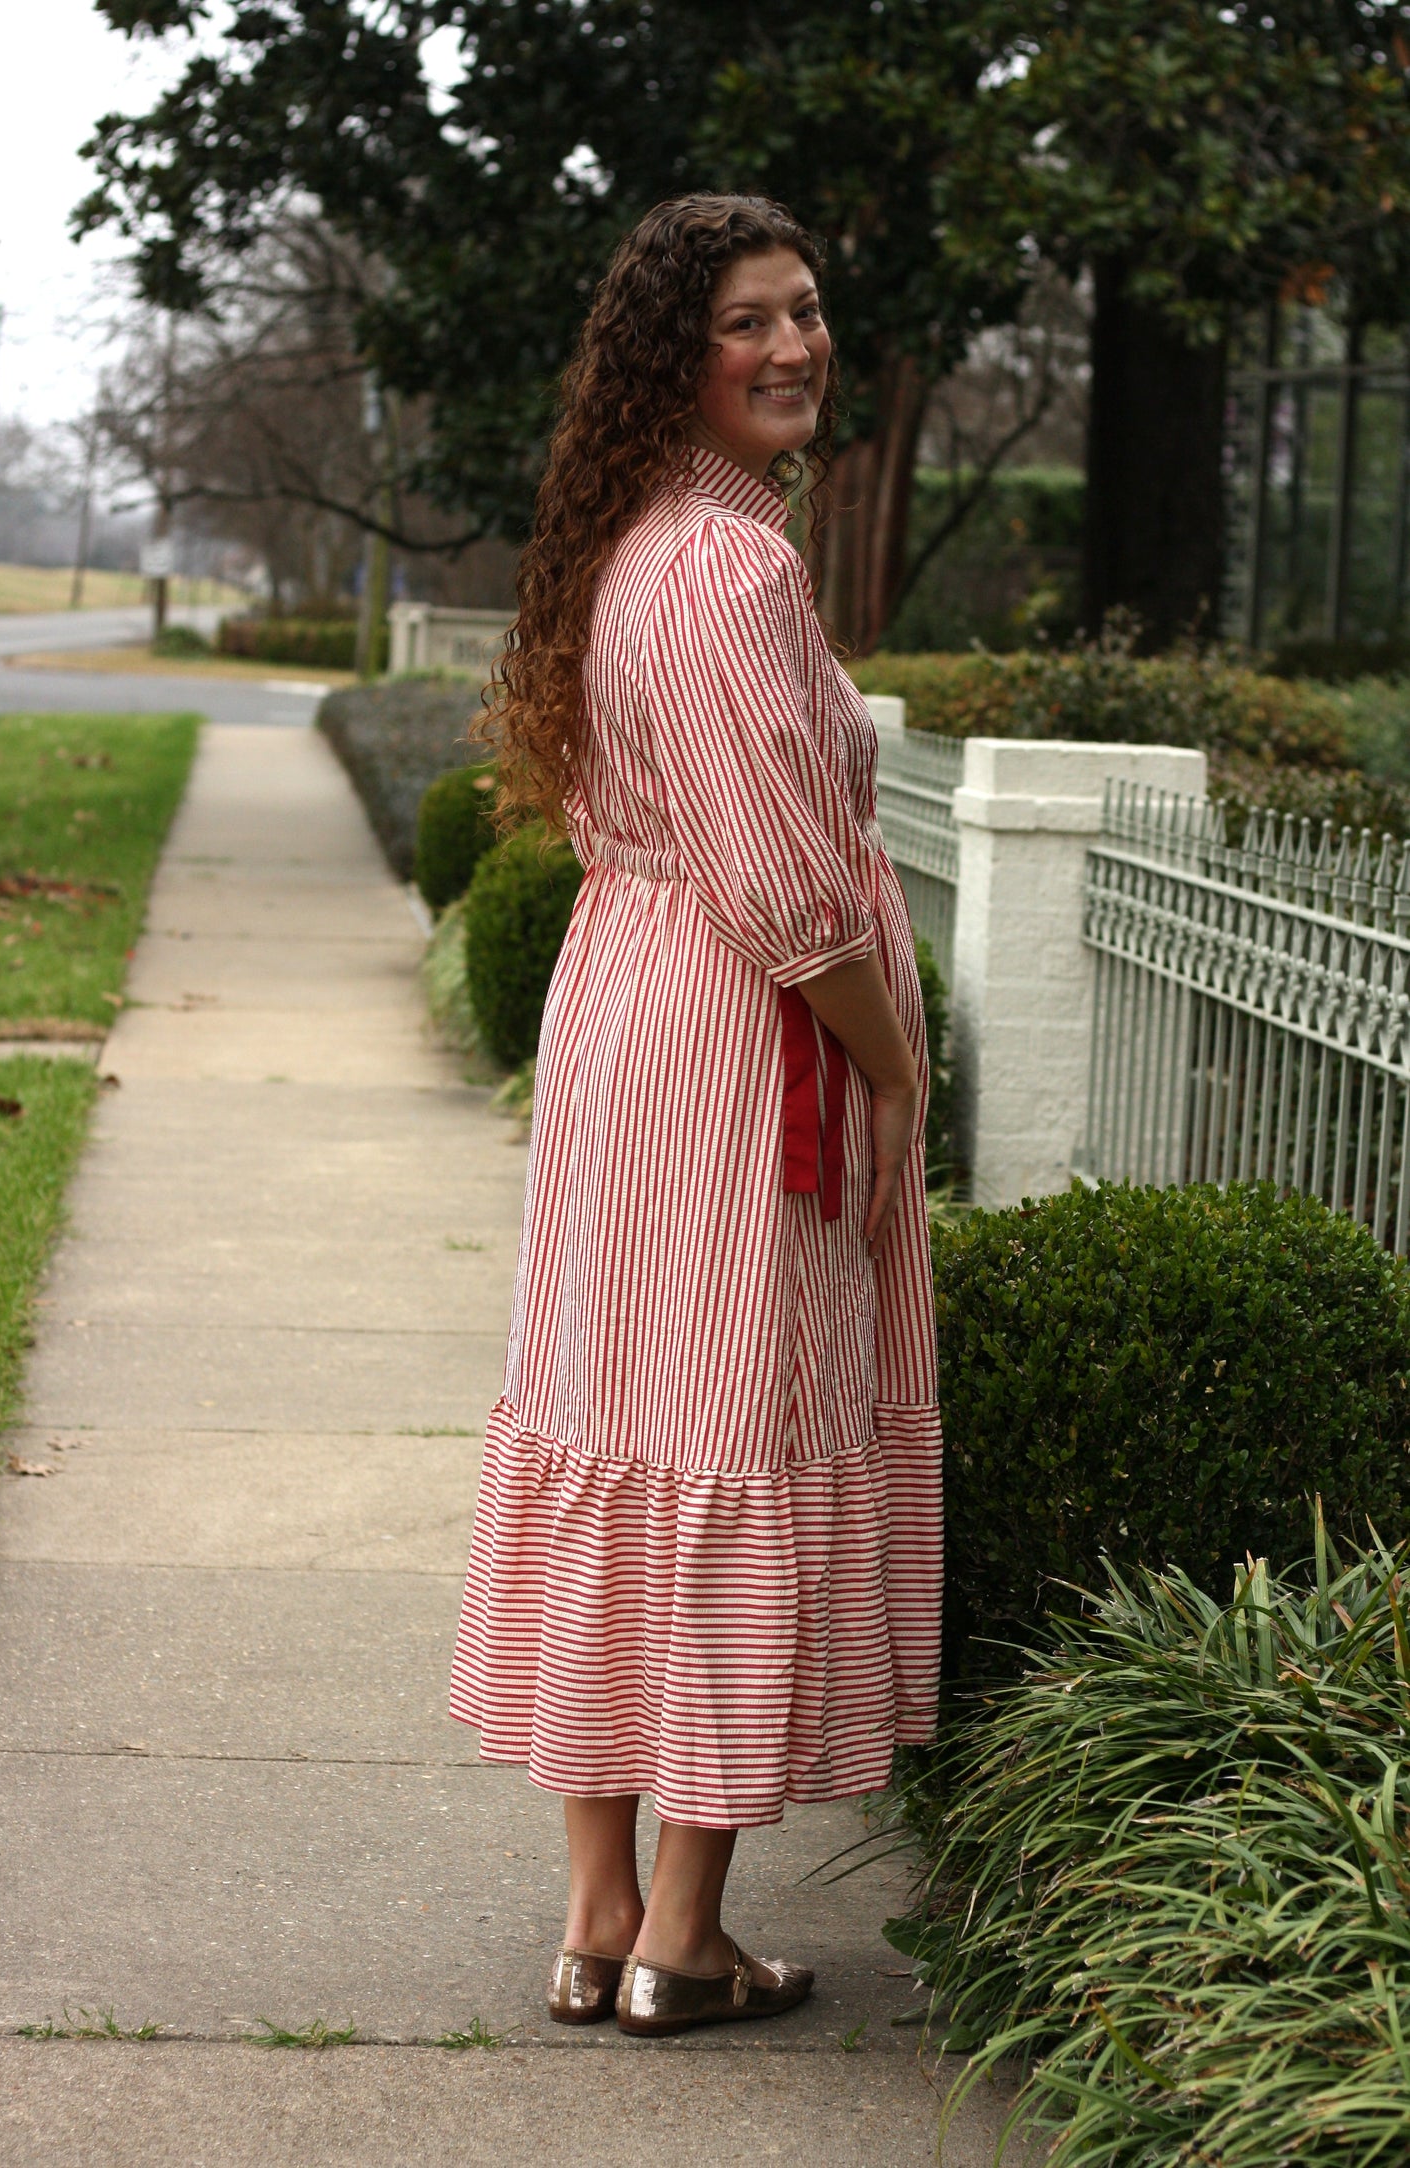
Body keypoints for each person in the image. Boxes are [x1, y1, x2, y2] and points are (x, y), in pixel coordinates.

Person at [449, 192, 942, 2039]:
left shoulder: (628, 549)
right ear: (679, 352)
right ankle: (682, 1933)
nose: (795, 345)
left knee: (619, 1419)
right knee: (734, 1425)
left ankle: (595, 1920)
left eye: (808, 310)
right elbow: (785, 893)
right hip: (741, 1046)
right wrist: (889, 1060)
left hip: (619, 1025)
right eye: (750, 320)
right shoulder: (732, 575)